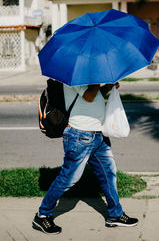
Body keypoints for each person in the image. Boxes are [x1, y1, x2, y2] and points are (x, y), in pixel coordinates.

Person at [32, 83, 138, 234]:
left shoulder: (89, 73)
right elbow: (88, 96)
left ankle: (115, 215)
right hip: (80, 136)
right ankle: (42, 215)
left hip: (98, 135)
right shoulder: (75, 75)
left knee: (109, 173)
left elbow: (95, 95)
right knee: (68, 178)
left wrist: (108, 87)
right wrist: (96, 81)